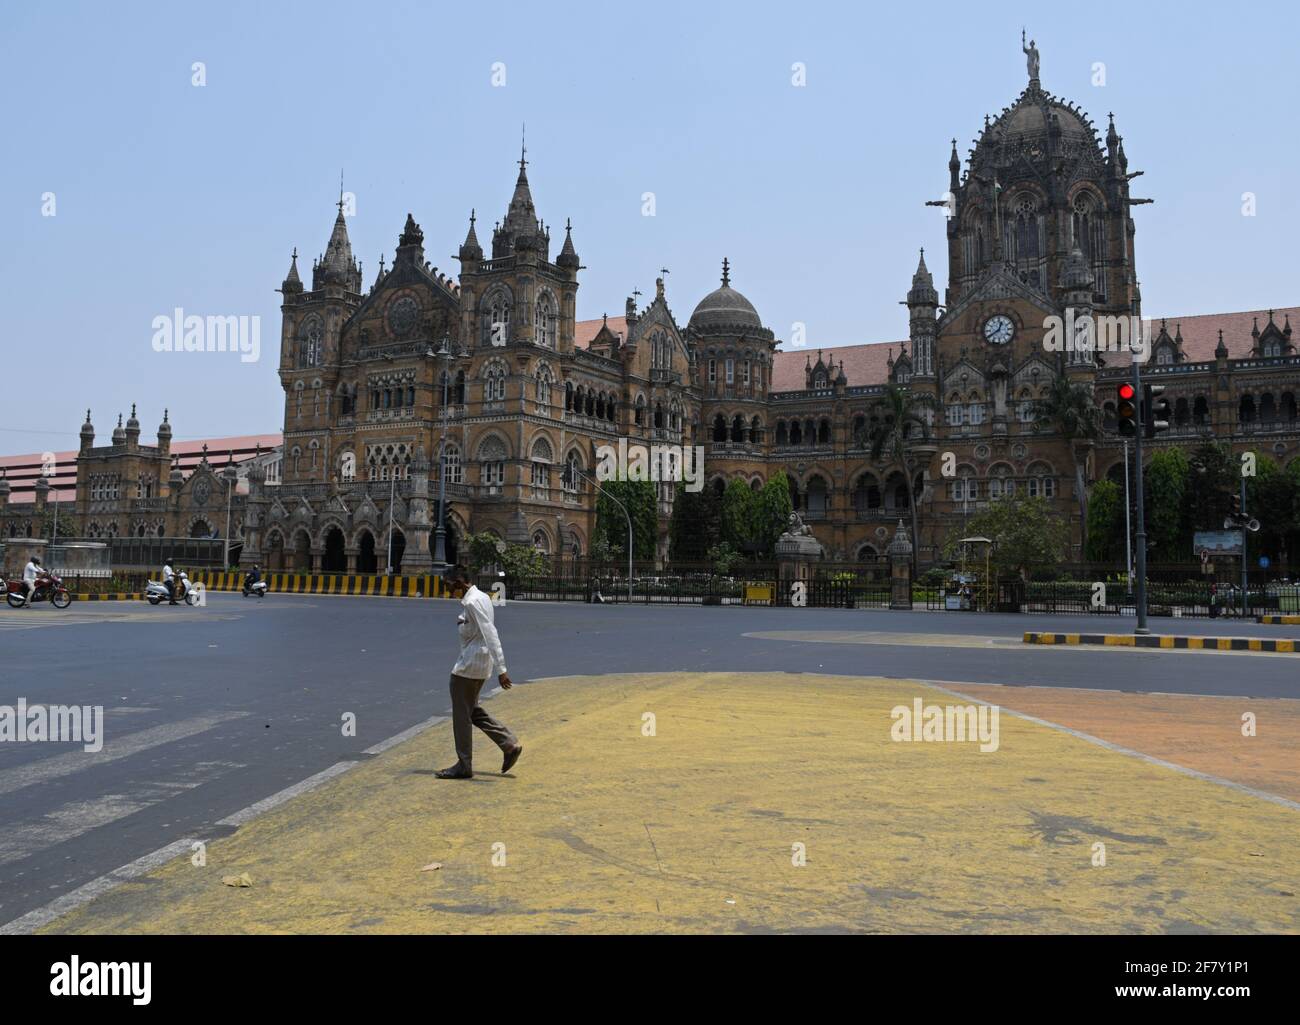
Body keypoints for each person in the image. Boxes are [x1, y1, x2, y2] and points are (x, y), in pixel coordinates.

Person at [435, 564, 522, 780]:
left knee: (462, 715)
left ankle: (464, 764)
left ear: (459, 583)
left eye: (449, 587)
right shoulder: (480, 597)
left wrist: (502, 669)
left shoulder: (473, 602)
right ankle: (508, 744)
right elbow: (477, 627)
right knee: (471, 710)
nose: (448, 592)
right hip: (480, 665)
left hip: (469, 667)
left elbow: (490, 633)